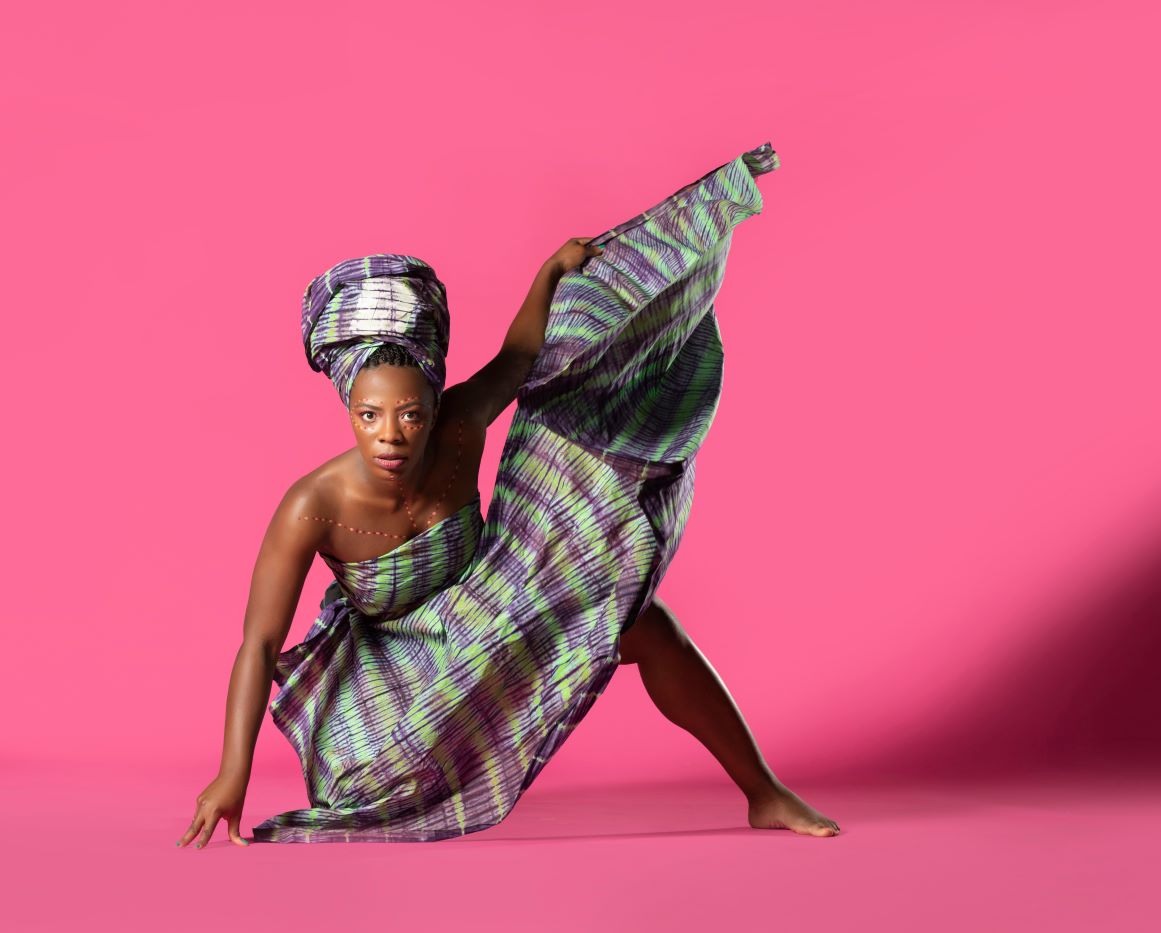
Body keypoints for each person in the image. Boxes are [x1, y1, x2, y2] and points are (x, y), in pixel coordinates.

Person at [175, 142, 840, 847]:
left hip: (487, 594)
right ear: (349, 412)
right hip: (398, 662)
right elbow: (259, 642)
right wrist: (232, 772)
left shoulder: (461, 427)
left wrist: (551, 271)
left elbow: (520, 360)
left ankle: (764, 792)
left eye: (410, 413)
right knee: (374, 776)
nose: (391, 435)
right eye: (370, 416)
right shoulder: (311, 505)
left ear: (435, 405)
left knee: (642, 620)